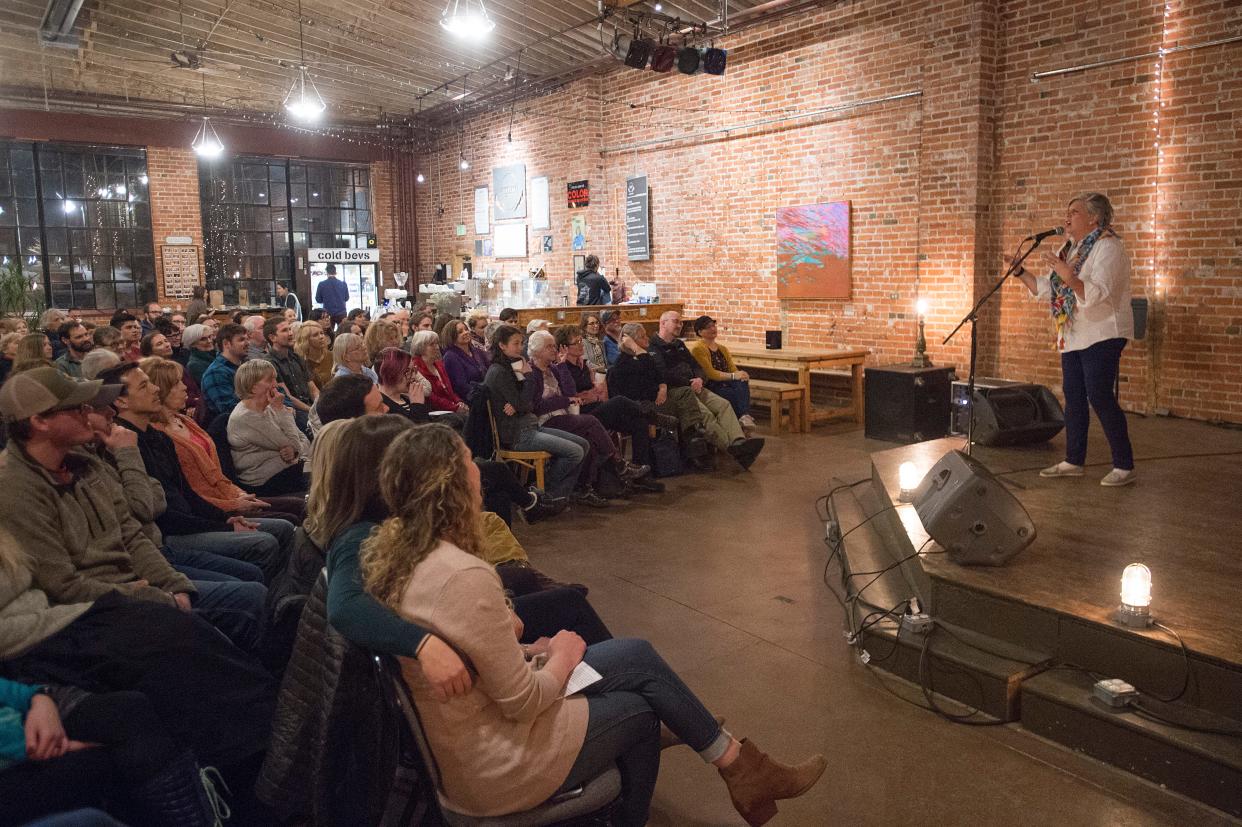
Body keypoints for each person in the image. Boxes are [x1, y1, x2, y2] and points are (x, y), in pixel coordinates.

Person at [362, 424, 826, 825]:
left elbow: (467, 652)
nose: (479, 469)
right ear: (450, 484)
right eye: (469, 462)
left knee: (635, 653)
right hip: (498, 762)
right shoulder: (462, 575)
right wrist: (560, 657)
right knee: (642, 711)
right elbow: (522, 702)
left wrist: (527, 651)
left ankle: (740, 767)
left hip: (472, 734)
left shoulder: (402, 554)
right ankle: (643, 813)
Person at [0, 526, 275, 824]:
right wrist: (28, 718)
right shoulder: (20, 487)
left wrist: (169, 587)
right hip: (32, 650)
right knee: (152, 677)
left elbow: (134, 530)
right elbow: (64, 585)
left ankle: (264, 770)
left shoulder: (79, 482)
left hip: (64, 622)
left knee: (190, 639)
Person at [1013, 192, 1136, 486]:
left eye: (1075, 212)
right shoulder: (1072, 249)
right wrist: (1020, 272)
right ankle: (1073, 460)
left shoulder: (1108, 247)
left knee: (1100, 395)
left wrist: (1069, 276)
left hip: (1104, 332)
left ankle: (1124, 465)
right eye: (1067, 212)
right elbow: (1047, 288)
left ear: (1095, 217)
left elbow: (1096, 293)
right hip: (1074, 332)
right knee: (1074, 397)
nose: (1067, 218)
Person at [142, 356, 306, 523]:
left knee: (299, 506)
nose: (185, 387)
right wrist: (234, 503)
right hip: (213, 508)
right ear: (160, 390)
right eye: (177, 383)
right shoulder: (158, 435)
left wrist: (239, 494)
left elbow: (217, 475)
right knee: (289, 519)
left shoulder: (187, 422)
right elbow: (191, 492)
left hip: (232, 493)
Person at [526, 330, 650, 503]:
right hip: (545, 421)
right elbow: (536, 407)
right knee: (592, 421)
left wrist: (562, 368)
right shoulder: (531, 373)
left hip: (565, 416)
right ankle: (619, 465)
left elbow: (570, 393)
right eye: (549, 347)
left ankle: (585, 489)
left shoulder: (554, 369)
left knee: (590, 439)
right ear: (537, 351)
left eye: (554, 346)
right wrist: (564, 401)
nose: (554, 350)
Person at [483, 325, 587, 500]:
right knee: (575, 452)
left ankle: (553, 495)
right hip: (517, 434)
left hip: (530, 426)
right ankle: (542, 494)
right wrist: (529, 379)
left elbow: (526, 402)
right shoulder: (499, 371)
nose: (520, 348)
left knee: (583, 444)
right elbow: (527, 403)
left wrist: (519, 403)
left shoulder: (515, 365)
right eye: (516, 344)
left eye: (521, 343)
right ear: (502, 345)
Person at [649, 312, 764, 470]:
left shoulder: (679, 345)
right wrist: (689, 382)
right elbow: (663, 374)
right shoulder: (653, 347)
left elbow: (696, 366)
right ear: (662, 323)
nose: (679, 325)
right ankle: (732, 448)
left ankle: (739, 441)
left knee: (723, 404)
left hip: (695, 386)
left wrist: (699, 378)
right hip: (678, 392)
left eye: (681, 323)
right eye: (676, 322)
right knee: (706, 414)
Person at [555, 325, 662, 490]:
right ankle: (652, 415)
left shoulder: (582, 365)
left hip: (595, 407)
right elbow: (568, 395)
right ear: (563, 347)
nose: (581, 344)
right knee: (619, 400)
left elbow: (589, 391)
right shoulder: (561, 368)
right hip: (581, 415)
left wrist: (592, 391)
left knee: (638, 423)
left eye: (580, 340)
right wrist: (585, 395)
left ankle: (641, 478)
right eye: (575, 342)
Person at [228, 359, 310, 497]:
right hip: (265, 483)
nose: (275, 385)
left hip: (289, 471)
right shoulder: (246, 417)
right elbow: (295, 443)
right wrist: (282, 411)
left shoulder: (268, 406)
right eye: (270, 380)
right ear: (253, 387)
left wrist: (295, 451)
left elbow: (303, 441)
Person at [689, 315, 756, 429]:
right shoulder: (698, 348)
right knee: (733, 395)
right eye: (708, 327)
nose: (712, 329)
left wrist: (741, 374)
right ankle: (741, 424)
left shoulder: (722, 348)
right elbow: (710, 374)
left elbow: (732, 368)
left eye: (713, 325)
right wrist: (734, 375)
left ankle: (744, 418)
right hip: (711, 384)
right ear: (700, 332)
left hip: (726, 382)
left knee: (742, 381)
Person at [263, 316, 317, 432]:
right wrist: (312, 410)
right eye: (284, 331)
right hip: (294, 410)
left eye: (290, 329)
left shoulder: (297, 357)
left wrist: (319, 405)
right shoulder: (269, 363)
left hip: (310, 406)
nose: (290, 333)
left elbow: (312, 388)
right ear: (272, 338)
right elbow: (287, 397)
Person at [409, 330, 469, 416]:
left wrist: (458, 402)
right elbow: (431, 398)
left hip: (450, 408)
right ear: (420, 347)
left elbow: (450, 390)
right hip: (435, 412)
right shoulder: (416, 368)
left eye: (437, 343)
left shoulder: (439, 364)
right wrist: (454, 407)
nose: (437, 347)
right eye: (432, 344)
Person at [199, 322, 248, 419]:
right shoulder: (216, 372)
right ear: (226, 344)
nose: (248, 343)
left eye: (247, 339)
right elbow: (229, 410)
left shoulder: (245, 366)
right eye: (242, 340)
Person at [375, 346, 430, 422]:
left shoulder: (406, 398)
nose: (413, 376)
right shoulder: (382, 407)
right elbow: (416, 431)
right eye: (407, 371)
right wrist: (417, 406)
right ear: (390, 374)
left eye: (414, 370)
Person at [442, 319, 490, 401]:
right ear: (452, 336)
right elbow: (461, 386)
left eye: (466, 329)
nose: (466, 332)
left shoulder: (476, 351)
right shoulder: (450, 357)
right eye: (460, 332)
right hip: (471, 401)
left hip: (486, 396)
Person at [294, 319, 333, 391]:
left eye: (322, 333)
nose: (321, 337)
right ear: (306, 340)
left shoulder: (332, 356)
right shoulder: (301, 362)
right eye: (315, 335)